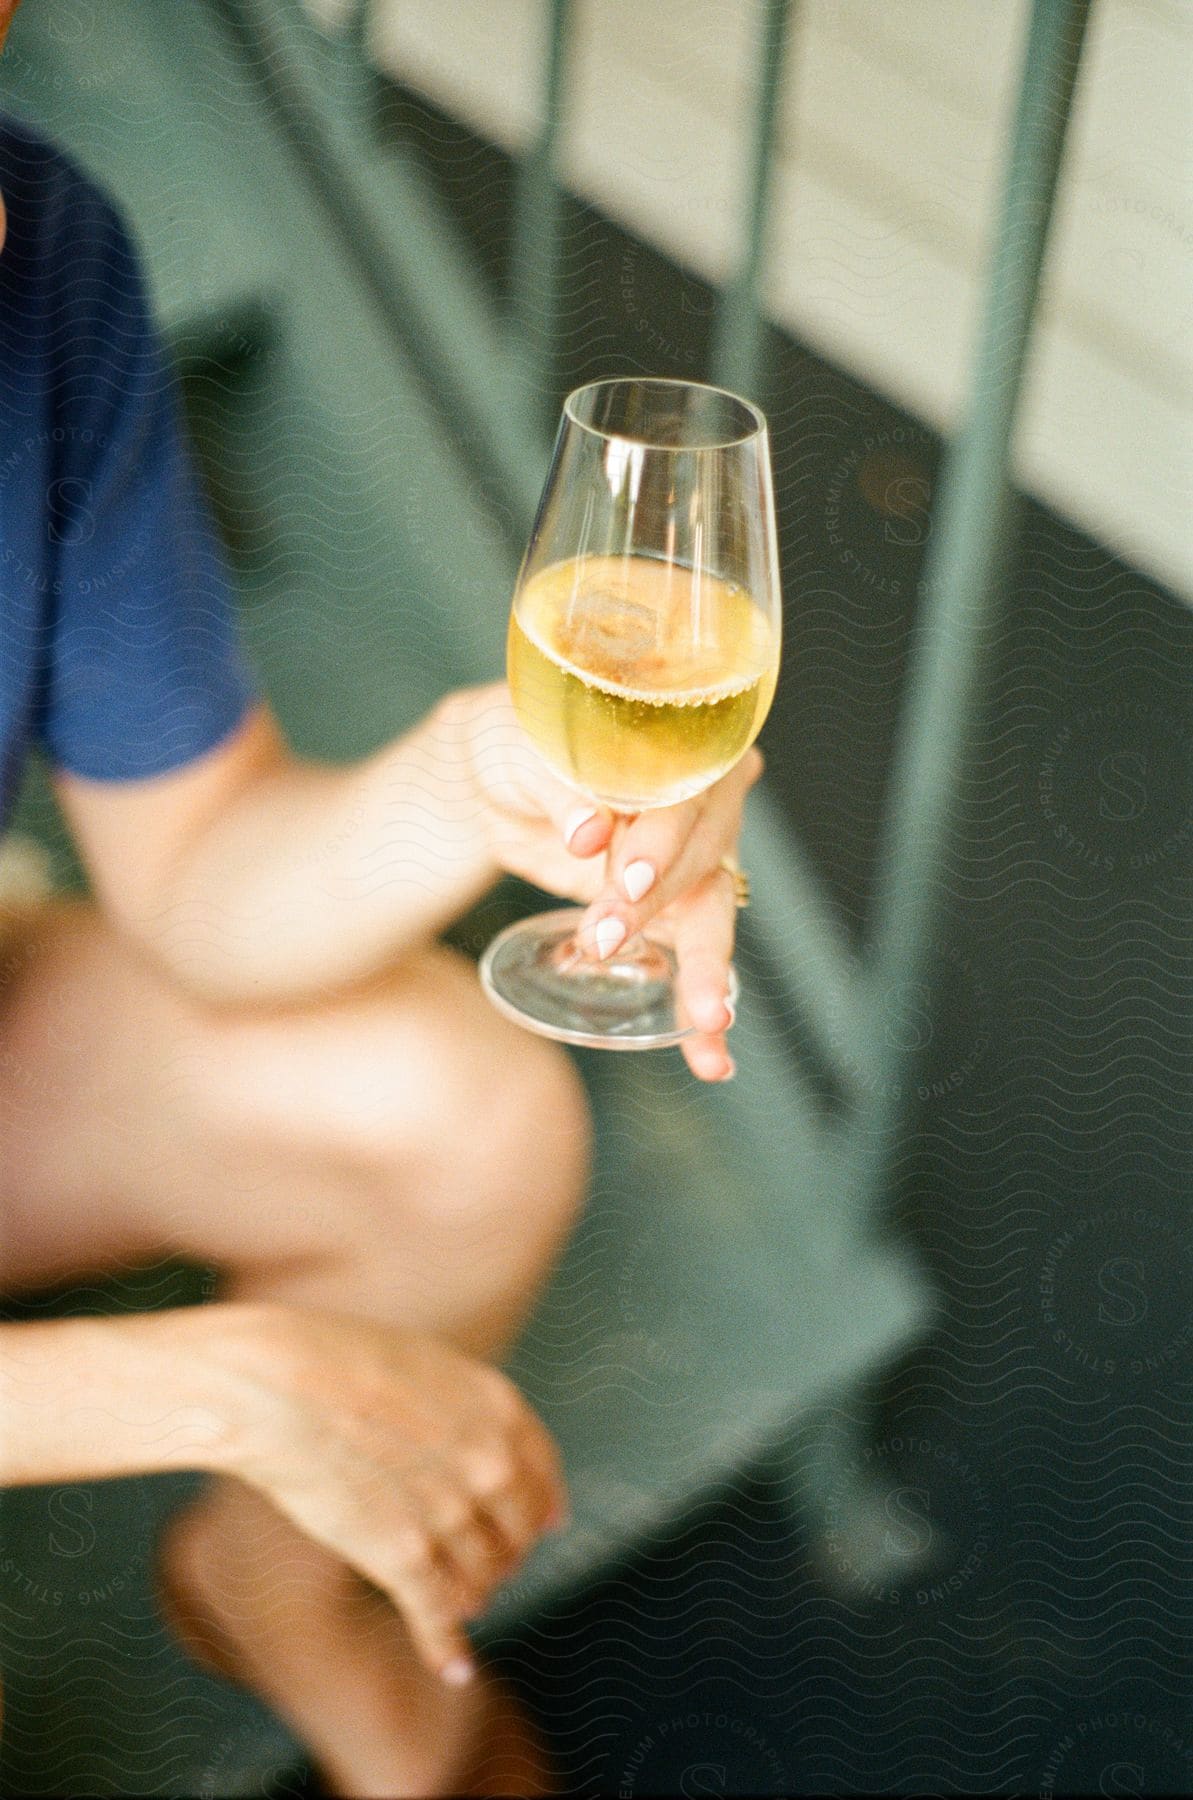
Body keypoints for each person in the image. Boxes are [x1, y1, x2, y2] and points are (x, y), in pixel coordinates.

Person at [0, 2, 759, 1790]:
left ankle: (274, 1590)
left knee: (459, 1108)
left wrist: (459, 780)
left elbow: (195, 877)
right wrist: (223, 1384)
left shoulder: (48, 249)